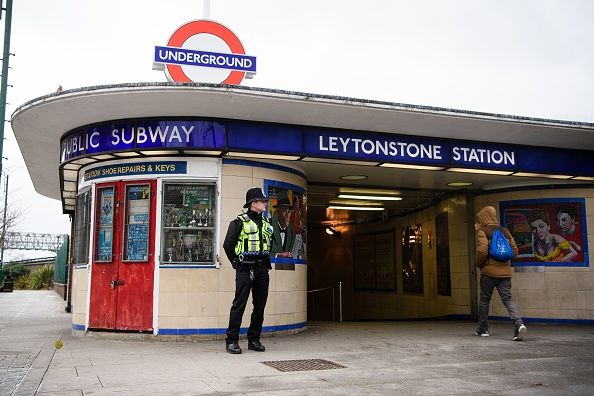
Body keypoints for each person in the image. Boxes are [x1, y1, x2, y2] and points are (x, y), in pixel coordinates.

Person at [223, 187, 273, 354]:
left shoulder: (267, 223)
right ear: (253, 203)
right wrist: (236, 263)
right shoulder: (238, 222)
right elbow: (228, 245)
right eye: (262, 201)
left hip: (262, 270)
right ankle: (231, 341)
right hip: (245, 268)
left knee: (260, 306)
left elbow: (269, 245)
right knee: (239, 305)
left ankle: (254, 339)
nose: (265, 203)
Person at [475, 205, 527, 341]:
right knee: (508, 300)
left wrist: (480, 264)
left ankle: (483, 328)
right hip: (505, 274)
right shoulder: (505, 232)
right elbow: (515, 252)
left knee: (485, 300)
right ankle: (518, 324)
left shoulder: (483, 231)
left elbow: (481, 251)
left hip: (488, 273)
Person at [270, 190, 296, 258]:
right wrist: (277, 255)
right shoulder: (268, 225)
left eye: (289, 211)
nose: (287, 214)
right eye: (284, 210)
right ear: (278, 211)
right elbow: (262, 252)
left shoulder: (292, 230)